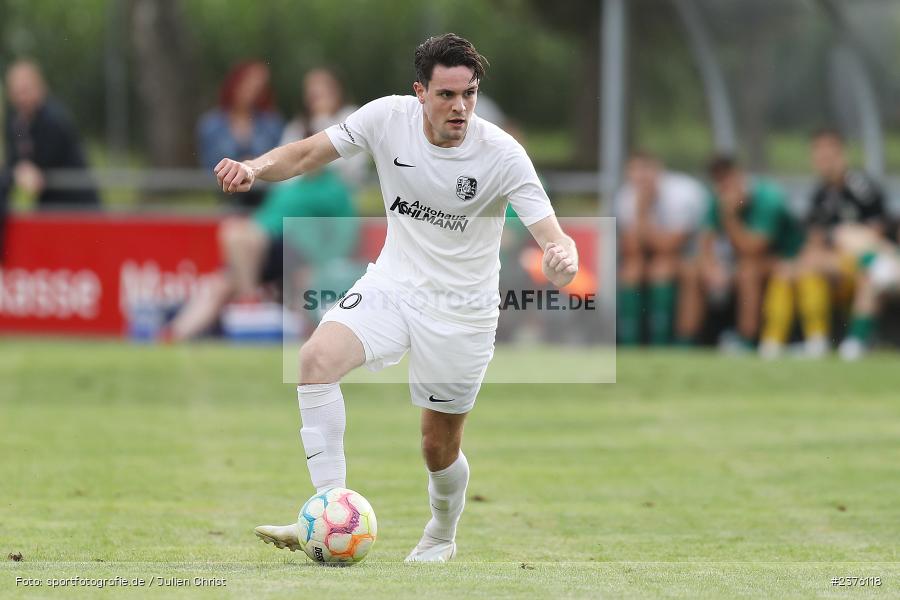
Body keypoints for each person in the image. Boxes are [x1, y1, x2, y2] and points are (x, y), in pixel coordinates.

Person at [214, 33, 578, 562]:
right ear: (420, 93)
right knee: (315, 361)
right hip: (393, 285)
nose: (460, 107)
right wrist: (254, 167)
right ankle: (328, 510)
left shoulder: (502, 154)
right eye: (446, 95)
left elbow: (555, 239)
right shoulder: (387, 118)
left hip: (462, 311)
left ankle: (441, 534)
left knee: (437, 446)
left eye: (469, 94)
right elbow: (307, 153)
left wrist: (562, 260)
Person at [783, 129, 888, 358]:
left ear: (841, 154)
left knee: (846, 239)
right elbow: (813, 237)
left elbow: (877, 232)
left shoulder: (860, 185)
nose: (823, 160)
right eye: (818, 155)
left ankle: (857, 341)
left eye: (828, 154)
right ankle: (815, 341)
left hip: (872, 259)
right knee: (802, 265)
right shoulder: (820, 194)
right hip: (839, 264)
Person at [700, 156, 804, 354]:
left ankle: (747, 339)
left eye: (727, 179)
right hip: (741, 260)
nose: (724, 188)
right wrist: (711, 267)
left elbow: (753, 249)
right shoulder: (718, 198)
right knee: (691, 272)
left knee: (748, 271)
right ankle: (686, 341)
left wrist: (729, 216)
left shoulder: (767, 197)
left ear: (739, 175)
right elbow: (706, 240)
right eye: (719, 182)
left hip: (788, 258)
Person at [615, 152, 706, 345]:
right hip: (651, 255)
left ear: (657, 170)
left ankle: (673, 341)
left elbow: (671, 246)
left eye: (645, 171)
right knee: (631, 270)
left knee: (665, 270)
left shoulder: (682, 193)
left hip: (691, 255)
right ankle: (630, 342)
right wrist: (641, 212)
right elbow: (631, 249)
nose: (640, 179)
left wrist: (642, 219)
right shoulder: (626, 197)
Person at [2, 60, 99, 209]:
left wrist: (22, 169)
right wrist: (19, 169)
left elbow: (40, 163)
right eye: (16, 92)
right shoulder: (18, 123)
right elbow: (17, 155)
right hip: (49, 203)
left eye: (25, 90)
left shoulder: (54, 120)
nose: (21, 98)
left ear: (39, 88)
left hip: (78, 204)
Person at [197, 60, 284, 208]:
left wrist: (253, 168)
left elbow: (280, 162)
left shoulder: (272, 123)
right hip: (227, 199)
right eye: (247, 84)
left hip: (265, 199)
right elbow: (209, 168)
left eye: (258, 87)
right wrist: (238, 170)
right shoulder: (211, 125)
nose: (251, 91)